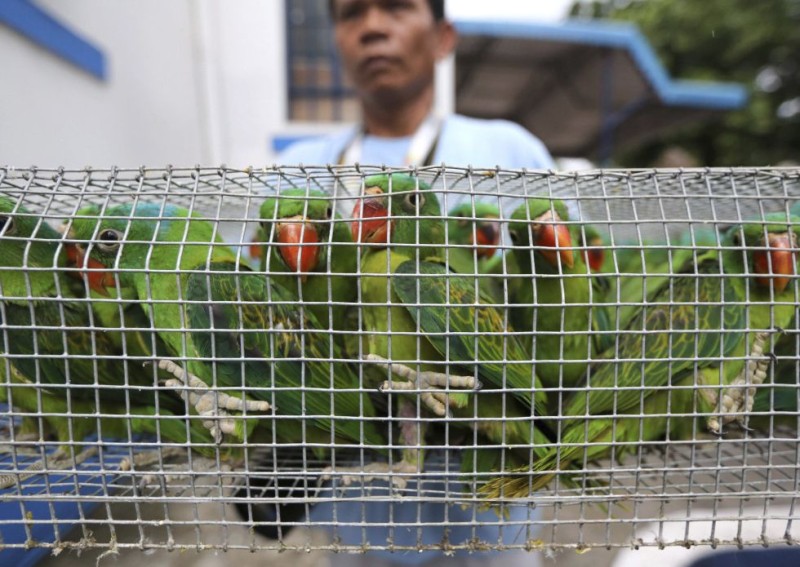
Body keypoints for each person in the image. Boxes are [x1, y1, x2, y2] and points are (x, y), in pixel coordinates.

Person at [271, 1, 554, 565]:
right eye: (351, 14)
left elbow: (559, 301)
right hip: (359, 515)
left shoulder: (509, 151)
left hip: (489, 513)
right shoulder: (299, 170)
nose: (373, 26)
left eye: (396, 7)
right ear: (337, 41)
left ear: (444, 37)